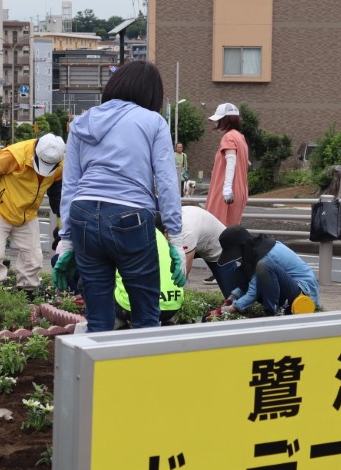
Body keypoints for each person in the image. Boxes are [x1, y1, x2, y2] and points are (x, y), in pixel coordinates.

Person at [53, 60, 186, 332]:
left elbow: (71, 184)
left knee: (98, 317)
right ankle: (142, 373)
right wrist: (176, 236)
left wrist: (66, 239)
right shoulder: (153, 122)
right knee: (146, 315)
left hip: (83, 214)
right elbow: (167, 180)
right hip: (131, 216)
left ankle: (96, 372)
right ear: (151, 94)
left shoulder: (82, 122)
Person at [0, 133, 65, 291]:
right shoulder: (15, 156)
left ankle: (27, 291)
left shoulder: (59, 164)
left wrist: (60, 217)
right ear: (36, 153)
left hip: (27, 215)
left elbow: (56, 191)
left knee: (33, 258)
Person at [216, 225, 320, 316]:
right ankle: (273, 308)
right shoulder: (256, 248)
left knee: (264, 266)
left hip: (304, 294)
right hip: (291, 288)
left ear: (241, 247)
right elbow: (249, 282)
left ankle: (272, 312)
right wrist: (232, 298)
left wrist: (227, 310)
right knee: (240, 274)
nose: (237, 258)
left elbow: (253, 292)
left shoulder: (263, 255)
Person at [114, 228, 184, 327]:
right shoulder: (157, 232)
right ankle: (166, 322)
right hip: (172, 305)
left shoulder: (118, 231)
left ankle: (117, 326)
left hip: (132, 308)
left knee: (98, 277)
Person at [205, 102, 250, 228]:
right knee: (232, 229)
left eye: (219, 120)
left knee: (217, 229)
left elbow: (231, 162)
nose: (216, 123)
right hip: (239, 190)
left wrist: (227, 189)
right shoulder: (240, 137)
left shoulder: (228, 137)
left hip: (226, 191)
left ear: (225, 120)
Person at [179, 205, 238, 295]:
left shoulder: (187, 232)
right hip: (201, 237)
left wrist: (176, 292)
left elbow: (185, 270)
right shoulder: (168, 220)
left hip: (219, 249)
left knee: (232, 294)